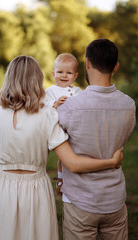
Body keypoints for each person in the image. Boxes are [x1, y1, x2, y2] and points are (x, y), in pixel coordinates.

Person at [0, 55, 123, 240]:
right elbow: (73, 163)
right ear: (37, 80)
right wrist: (111, 162)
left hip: (0, 188)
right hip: (35, 188)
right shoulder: (47, 116)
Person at [57, 39, 136, 240]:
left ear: (87, 63)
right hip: (115, 199)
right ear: (116, 67)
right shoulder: (129, 105)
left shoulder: (70, 107)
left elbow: (52, 140)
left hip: (80, 200)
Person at [44, 53, 82, 193]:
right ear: (53, 74)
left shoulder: (77, 91)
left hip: (74, 130)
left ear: (75, 76)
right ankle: (61, 180)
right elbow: (43, 107)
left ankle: (74, 180)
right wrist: (55, 104)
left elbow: (82, 106)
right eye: (60, 72)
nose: (64, 76)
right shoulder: (49, 91)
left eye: (69, 73)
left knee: (75, 157)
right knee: (62, 158)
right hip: (58, 130)